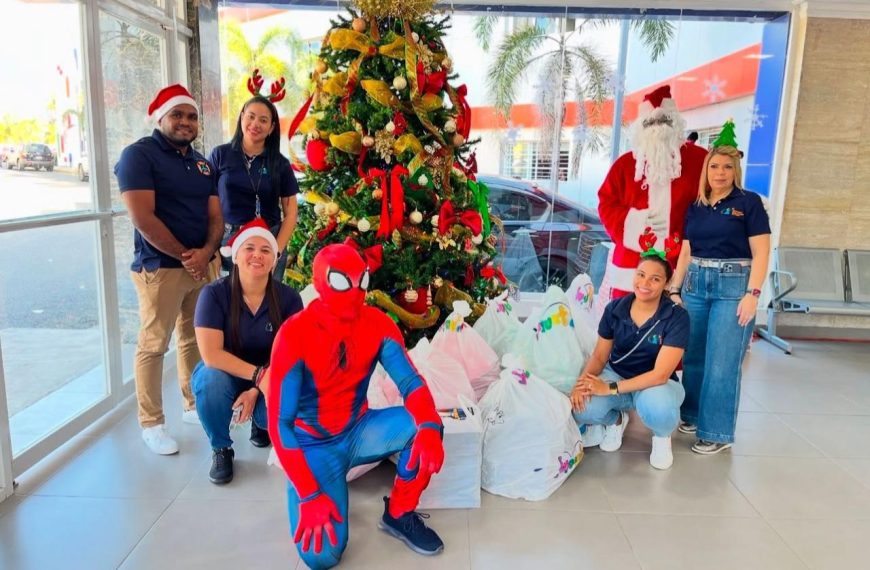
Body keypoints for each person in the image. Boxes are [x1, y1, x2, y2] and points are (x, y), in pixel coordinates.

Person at [268, 243, 445, 569]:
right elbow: (279, 423)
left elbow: (411, 382)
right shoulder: (294, 335)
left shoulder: (377, 323)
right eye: (340, 281)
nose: (354, 291)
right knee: (321, 557)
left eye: (361, 280)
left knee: (422, 427)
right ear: (320, 282)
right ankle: (305, 486)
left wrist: (431, 426)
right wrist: (308, 493)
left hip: (358, 428)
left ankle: (399, 513)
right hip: (314, 443)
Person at [115, 84, 223, 455]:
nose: (185, 122)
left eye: (191, 116)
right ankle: (152, 423)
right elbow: (143, 217)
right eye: (177, 114)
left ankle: (192, 404)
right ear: (159, 118)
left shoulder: (202, 163)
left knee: (193, 337)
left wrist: (206, 252)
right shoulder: (138, 157)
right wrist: (185, 255)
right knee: (153, 344)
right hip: (161, 267)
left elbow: (215, 215)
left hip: (200, 266)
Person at [670, 120, 771, 455]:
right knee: (694, 355)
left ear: (736, 169)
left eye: (728, 166)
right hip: (696, 285)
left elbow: (761, 252)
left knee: (723, 361)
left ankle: (717, 432)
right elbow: (686, 251)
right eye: (714, 166)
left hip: (733, 286)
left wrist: (753, 295)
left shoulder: (750, 203)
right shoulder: (697, 206)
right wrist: (674, 289)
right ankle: (694, 414)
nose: (721, 172)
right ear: (706, 170)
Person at [191, 219, 302, 484]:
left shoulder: (289, 299)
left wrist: (256, 388)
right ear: (236, 255)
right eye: (249, 248)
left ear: (274, 260)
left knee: (275, 409)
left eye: (266, 250)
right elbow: (211, 355)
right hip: (227, 372)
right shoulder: (213, 295)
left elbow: (293, 353)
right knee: (209, 380)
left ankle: (259, 422)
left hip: (270, 373)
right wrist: (258, 377)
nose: (257, 255)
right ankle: (221, 447)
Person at [571, 249, 689, 470]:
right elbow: (599, 356)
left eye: (655, 279)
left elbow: (660, 375)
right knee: (582, 407)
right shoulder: (615, 308)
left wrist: (610, 389)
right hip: (618, 374)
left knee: (658, 407)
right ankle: (616, 422)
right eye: (641, 274)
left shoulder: (677, 316)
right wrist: (582, 384)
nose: (645, 283)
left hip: (657, 385)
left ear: (666, 283)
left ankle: (662, 437)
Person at [597, 85, 708, 302]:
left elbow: (716, 201)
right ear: (640, 127)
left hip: (682, 266)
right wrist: (638, 224)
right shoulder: (624, 165)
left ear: (675, 122)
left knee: (678, 328)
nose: (657, 128)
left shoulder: (700, 161)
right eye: (650, 122)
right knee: (625, 326)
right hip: (632, 267)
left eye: (664, 121)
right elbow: (606, 204)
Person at [209, 85, 299, 282]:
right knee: (230, 305)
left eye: (263, 120)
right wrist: (211, 248)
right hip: (227, 240)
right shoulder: (220, 155)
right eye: (250, 116)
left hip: (269, 239)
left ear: (272, 128)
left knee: (266, 306)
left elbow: (291, 213)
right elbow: (207, 205)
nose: (255, 123)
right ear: (242, 117)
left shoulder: (280, 163)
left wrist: (276, 250)